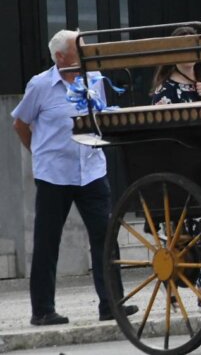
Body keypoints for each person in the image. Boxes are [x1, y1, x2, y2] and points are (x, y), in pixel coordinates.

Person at [11, 30, 138, 326]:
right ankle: (42, 310)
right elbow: (20, 123)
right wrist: (39, 153)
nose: (87, 55)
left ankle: (111, 304)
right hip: (54, 174)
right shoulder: (40, 85)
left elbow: (101, 117)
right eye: (80, 50)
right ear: (61, 57)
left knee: (105, 238)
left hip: (92, 170)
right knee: (47, 242)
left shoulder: (94, 80)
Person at [150, 25, 201, 308]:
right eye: (183, 51)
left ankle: (191, 286)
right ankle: (197, 288)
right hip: (182, 162)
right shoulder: (166, 88)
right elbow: (162, 128)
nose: (189, 58)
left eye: (193, 51)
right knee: (184, 232)